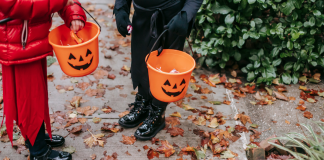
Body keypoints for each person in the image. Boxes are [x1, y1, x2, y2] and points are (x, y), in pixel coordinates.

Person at [0, 0, 86, 159]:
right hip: (19, 41)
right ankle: (38, 151)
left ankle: (35, 137)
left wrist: (74, 14)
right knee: (29, 99)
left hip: (32, 36)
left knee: (35, 96)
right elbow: (12, 4)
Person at [114, 0, 203, 140]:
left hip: (172, 16)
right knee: (141, 60)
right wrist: (120, 8)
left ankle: (158, 112)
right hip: (142, 14)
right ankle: (143, 104)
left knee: (165, 68)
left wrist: (186, 14)